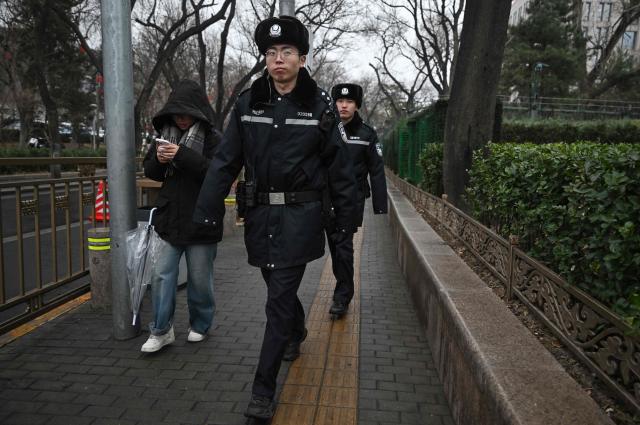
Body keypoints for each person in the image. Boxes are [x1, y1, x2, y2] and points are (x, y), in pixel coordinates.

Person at [193, 16, 357, 420]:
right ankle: (296, 330)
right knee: (277, 291)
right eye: (271, 52)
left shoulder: (320, 108)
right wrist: (207, 212)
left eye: (286, 52)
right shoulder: (249, 104)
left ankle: (263, 391)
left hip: (302, 217)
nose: (278, 59)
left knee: (278, 298)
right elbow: (225, 161)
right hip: (261, 216)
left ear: (302, 58)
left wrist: (345, 218)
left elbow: (340, 169)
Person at [140, 80, 222, 353]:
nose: (182, 119)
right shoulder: (165, 135)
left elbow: (217, 174)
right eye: (177, 113)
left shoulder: (214, 139)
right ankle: (161, 330)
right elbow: (151, 171)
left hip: (202, 219)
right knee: (162, 275)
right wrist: (160, 161)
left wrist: (182, 155)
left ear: (199, 112)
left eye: (187, 114)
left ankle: (200, 324)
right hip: (169, 219)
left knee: (200, 280)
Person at [327, 83, 388, 317]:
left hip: (351, 201)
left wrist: (379, 206)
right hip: (323, 198)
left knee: (343, 247)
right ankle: (341, 286)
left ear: (356, 105)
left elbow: (377, 170)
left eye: (349, 102)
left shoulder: (367, 134)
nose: (343, 105)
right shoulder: (324, 129)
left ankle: (342, 296)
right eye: (340, 101)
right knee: (332, 247)